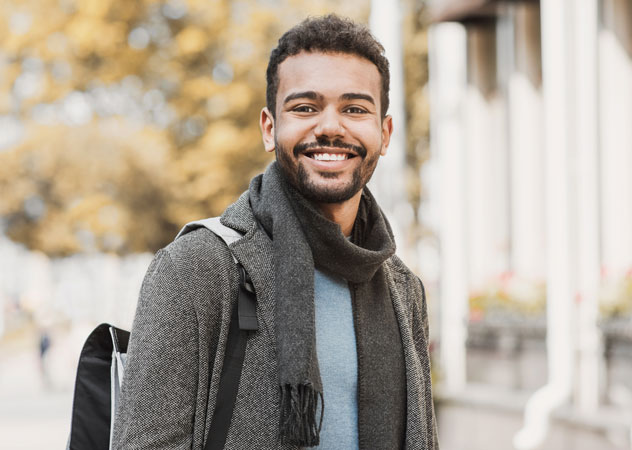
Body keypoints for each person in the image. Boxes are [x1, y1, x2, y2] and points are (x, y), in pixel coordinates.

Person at [112, 14, 438, 449]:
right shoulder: (195, 270)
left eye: (354, 109)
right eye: (305, 108)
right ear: (269, 128)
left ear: (385, 132)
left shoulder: (402, 288)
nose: (330, 127)